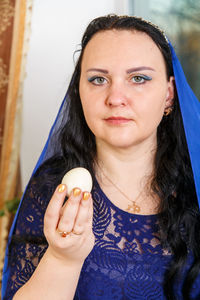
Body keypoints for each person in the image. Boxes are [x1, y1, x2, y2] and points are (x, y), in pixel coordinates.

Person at [2, 14, 200, 300]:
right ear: (79, 91)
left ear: (169, 94)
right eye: (98, 79)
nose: (116, 97)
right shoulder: (52, 191)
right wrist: (62, 259)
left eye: (139, 78)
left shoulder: (196, 183)